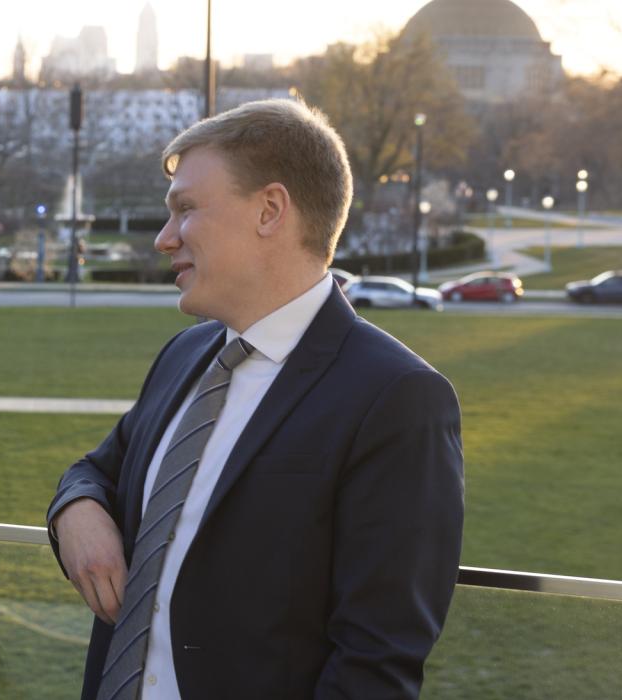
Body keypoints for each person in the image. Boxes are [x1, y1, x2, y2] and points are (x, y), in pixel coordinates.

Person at [47, 99, 465, 699]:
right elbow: (94, 470)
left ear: (270, 210)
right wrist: (78, 513)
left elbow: (376, 663)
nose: (165, 239)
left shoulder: (398, 399)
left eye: (185, 210)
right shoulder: (184, 357)